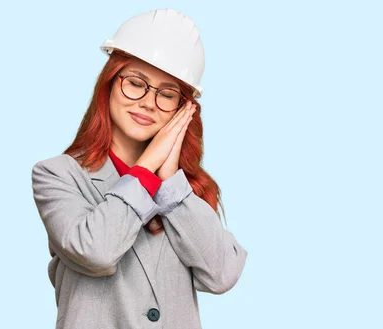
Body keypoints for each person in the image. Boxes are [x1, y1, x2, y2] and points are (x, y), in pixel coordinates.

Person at [31, 8, 247, 329]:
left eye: (167, 94)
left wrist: (172, 184)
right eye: (136, 83)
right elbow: (96, 252)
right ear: (109, 84)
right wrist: (147, 167)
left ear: (182, 109)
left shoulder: (187, 189)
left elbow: (222, 275)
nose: (148, 102)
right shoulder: (58, 175)